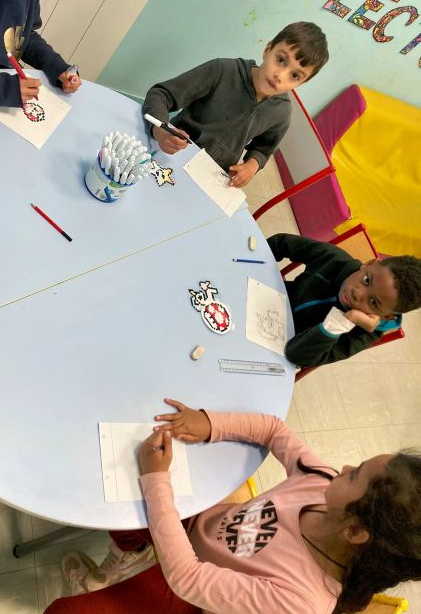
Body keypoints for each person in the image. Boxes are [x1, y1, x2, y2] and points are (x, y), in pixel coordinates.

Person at [46, 398, 421, 614]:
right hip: (197, 533)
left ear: (354, 531)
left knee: (63, 612)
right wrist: (210, 424)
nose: (346, 467)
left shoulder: (302, 602)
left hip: (193, 594)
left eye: (355, 477)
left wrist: (156, 478)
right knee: (116, 497)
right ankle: (135, 554)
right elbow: (274, 429)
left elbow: (188, 579)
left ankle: (133, 560)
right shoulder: (320, 482)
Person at [141, 22, 329, 188]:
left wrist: (252, 165)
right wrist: (160, 130)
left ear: (300, 84)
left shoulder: (282, 112)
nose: (280, 76)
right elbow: (161, 94)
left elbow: (263, 148)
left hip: (211, 177)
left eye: (294, 75)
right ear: (268, 49)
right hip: (172, 153)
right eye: (280, 60)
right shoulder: (222, 70)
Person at [268, 233, 421, 367]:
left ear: (387, 317)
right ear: (369, 264)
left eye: (373, 302)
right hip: (269, 298)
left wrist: (343, 321)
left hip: (277, 347)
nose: (357, 293)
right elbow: (281, 242)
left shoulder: (364, 334)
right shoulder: (335, 260)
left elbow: (295, 356)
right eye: (367, 280)